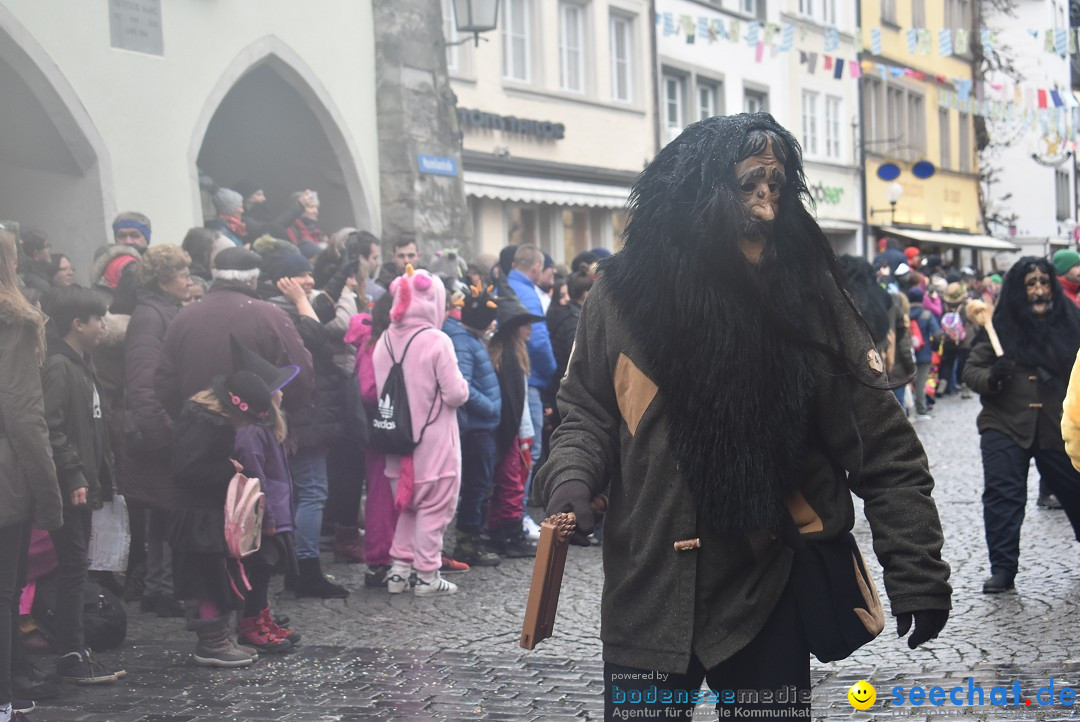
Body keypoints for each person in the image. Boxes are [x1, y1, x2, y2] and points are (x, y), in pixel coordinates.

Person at [537, 113, 951, 721]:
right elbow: (585, 409)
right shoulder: (619, 295)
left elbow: (882, 443)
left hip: (767, 590)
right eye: (748, 180)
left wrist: (916, 568)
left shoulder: (810, 297)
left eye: (777, 184)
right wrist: (571, 474)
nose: (766, 196)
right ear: (695, 191)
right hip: (646, 591)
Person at [168, 344, 297, 668]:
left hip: (206, 513)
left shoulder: (211, 422)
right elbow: (188, 469)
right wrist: (230, 469)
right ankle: (211, 641)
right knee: (204, 581)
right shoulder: (204, 425)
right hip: (196, 515)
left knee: (214, 576)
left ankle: (217, 636)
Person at [962, 257, 1080, 593]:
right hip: (1004, 423)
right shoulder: (997, 324)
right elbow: (972, 371)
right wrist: (992, 378)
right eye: (1031, 284)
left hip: (1057, 425)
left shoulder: (1072, 322)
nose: (1039, 291)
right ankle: (1003, 568)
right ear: (1018, 290)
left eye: (1044, 283)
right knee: (1002, 496)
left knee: (1076, 489)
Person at [41, 285, 125, 684]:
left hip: (84, 484)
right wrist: (74, 474)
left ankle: (76, 650)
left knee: (79, 565)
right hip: (69, 486)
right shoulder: (60, 366)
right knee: (74, 568)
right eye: (98, 319)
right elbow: (51, 426)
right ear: (78, 324)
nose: (103, 325)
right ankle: (70, 654)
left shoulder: (81, 363)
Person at [0, 227, 64, 722]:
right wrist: (49, 493)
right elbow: (23, 413)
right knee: (5, 587)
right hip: (5, 476)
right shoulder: (13, 322)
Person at [374, 266, 469, 597]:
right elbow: (455, 394)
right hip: (434, 445)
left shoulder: (384, 339)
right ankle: (428, 575)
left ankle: (398, 573)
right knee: (433, 508)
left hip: (395, 442)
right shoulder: (437, 340)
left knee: (407, 507)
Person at [261, 252, 350, 598]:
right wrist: (300, 300)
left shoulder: (288, 308)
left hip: (300, 417)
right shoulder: (283, 313)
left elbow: (321, 309)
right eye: (301, 275)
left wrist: (340, 272)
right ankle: (305, 570)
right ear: (283, 282)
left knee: (300, 491)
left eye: (310, 273)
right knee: (312, 491)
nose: (309, 281)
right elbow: (315, 343)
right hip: (301, 418)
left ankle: (297, 567)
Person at [155, 247, 313, 419]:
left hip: (199, 431)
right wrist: (277, 418)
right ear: (253, 279)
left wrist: (188, 419)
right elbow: (300, 376)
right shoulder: (270, 316)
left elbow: (165, 382)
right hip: (256, 429)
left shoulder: (183, 317)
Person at [122, 245, 192, 618]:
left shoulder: (161, 311)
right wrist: (163, 436)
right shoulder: (151, 316)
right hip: (160, 432)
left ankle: (161, 587)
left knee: (164, 514)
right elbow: (144, 381)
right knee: (164, 511)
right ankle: (160, 588)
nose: (188, 279)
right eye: (182, 273)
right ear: (165, 278)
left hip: (164, 427)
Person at [229, 339, 302, 653]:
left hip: (276, 512)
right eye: (278, 389)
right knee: (259, 569)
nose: (283, 393)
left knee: (267, 567)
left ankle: (262, 615)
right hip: (264, 516)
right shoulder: (251, 433)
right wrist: (269, 518)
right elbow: (257, 479)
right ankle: (251, 623)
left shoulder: (265, 428)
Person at [445, 282, 502, 567]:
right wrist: (490, 406)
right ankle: (468, 543)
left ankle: (472, 538)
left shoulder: (470, 338)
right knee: (476, 486)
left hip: (483, 426)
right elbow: (464, 386)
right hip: (477, 427)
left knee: (480, 484)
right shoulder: (464, 342)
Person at [484, 293, 542, 558]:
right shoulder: (508, 356)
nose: (530, 328)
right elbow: (513, 403)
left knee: (508, 481)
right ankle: (508, 533)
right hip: (506, 433)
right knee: (511, 483)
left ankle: (499, 529)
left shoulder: (510, 353)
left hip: (506, 431)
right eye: (524, 323)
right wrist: (519, 437)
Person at [505, 245, 557, 537]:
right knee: (529, 448)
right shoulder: (528, 294)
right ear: (536, 267)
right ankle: (519, 515)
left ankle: (513, 514)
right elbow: (538, 340)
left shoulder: (506, 285)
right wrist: (550, 372)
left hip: (517, 374)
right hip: (530, 378)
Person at [91, 212, 151, 314]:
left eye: (134, 235)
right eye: (121, 236)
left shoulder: (154, 262)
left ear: (146, 238)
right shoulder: (117, 262)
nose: (128, 241)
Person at [908, 287, 941, 420]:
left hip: (906, 352)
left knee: (907, 381)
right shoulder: (927, 315)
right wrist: (934, 348)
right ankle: (921, 410)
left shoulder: (905, 313)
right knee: (921, 382)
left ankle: (906, 409)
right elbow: (937, 334)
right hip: (923, 352)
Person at [17, 229, 52, 296]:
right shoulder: (40, 285)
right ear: (36, 255)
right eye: (47, 246)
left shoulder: (22, 274)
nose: (50, 249)